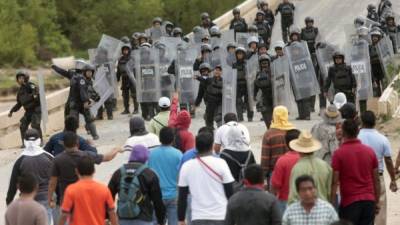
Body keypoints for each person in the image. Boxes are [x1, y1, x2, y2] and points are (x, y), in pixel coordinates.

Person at [48, 132, 120, 214]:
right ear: (77, 143)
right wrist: (116, 149)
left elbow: (52, 182)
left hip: (66, 200)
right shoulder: (86, 155)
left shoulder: (57, 160)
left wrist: (50, 198)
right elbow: (107, 157)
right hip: (84, 199)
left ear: (64, 144)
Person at [178, 132, 234, 225]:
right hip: (220, 215)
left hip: (198, 217)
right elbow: (229, 192)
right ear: (212, 146)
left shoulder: (187, 166)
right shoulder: (221, 163)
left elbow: (182, 196)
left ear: (196, 146)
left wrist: (181, 219)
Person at [331, 119, 380, 225]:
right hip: (369, 200)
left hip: (349, 202)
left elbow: (334, 181)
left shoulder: (338, 154)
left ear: (343, 132)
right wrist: (376, 201)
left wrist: (331, 203)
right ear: (358, 132)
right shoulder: (369, 151)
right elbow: (376, 179)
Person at [108, 145, 166, 225]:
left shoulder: (118, 173)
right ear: (145, 157)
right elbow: (157, 201)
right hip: (144, 219)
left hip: (122, 218)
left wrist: (108, 217)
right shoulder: (150, 174)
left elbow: (109, 196)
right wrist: (161, 220)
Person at [358, 111, 398, 225]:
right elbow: (388, 161)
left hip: (359, 178)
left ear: (362, 122)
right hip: (377, 180)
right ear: (375, 122)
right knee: (379, 213)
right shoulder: (382, 139)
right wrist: (393, 180)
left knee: (361, 212)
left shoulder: (356, 137)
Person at [6, 129, 53, 224]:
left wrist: (9, 201)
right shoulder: (49, 157)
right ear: (39, 140)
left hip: (25, 201)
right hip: (45, 198)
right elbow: (56, 178)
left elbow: (13, 183)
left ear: (24, 141)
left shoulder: (20, 160)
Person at [59, 156, 118, 225]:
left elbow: (64, 214)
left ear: (76, 171)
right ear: (94, 171)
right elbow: (111, 212)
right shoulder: (104, 189)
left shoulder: (71, 190)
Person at [148, 127, 183, 225]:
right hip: (173, 195)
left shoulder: (151, 154)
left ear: (160, 139)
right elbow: (182, 176)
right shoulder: (178, 154)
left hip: (156, 196)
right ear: (173, 139)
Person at [287, 131, 332, 204]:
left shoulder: (297, 168)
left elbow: (293, 195)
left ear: (299, 150)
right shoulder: (325, 165)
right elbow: (330, 191)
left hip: (304, 209)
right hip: (324, 209)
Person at [261, 106, 295, 184]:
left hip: (275, 171)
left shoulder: (269, 134)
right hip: (293, 170)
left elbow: (265, 157)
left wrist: (263, 175)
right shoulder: (294, 131)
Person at [8, 70, 42, 146]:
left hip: (36, 110)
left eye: (22, 77)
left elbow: (36, 95)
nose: (20, 79)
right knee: (23, 125)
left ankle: (40, 141)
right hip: (28, 111)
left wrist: (34, 94)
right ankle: (25, 143)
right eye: (19, 78)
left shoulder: (31, 85)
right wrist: (12, 111)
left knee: (35, 125)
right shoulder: (20, 92)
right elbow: (19, 104)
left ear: (26, 77)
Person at [270, 129, 300, 213]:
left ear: (286, 144)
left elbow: (275, 185)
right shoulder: (305, 159)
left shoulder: (282, 161)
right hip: (303, 199)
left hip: (284, 200)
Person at [233, 47, 254, 122]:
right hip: (237, 85)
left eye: (241, 54)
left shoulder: (247, 63)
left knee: (248, 101)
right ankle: (240, 117)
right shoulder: (234, 64)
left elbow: (252, 73)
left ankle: (250, 117)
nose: (239, 55)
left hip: (246, 84)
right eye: (238, 54)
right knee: (238, 101)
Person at [117, 43, 139, 114]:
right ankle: (126, 109)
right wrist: (117, 78)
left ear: (129, 50)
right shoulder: (120, 59)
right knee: (125, 95)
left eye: (126, 50)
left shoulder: (133, 59)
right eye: (124, 50)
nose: (125, 51)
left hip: (132, 78)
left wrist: (136, 78)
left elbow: (136, 69)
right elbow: (118, 69)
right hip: (124, 78)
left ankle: (136, 109)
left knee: (134, 94)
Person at [201, 64, 223, 128]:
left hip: (219, 104)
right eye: (216, 70)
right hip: (210, 103)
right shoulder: (209, 80)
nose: (217, 71)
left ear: (221, 72)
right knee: (208, 120)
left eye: (219, 70)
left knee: (219, 118)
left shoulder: (224, 81)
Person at [254, 54, 274, 128]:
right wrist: (254, 95)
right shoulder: (258, 74)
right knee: (266, 116)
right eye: (262, 63)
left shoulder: (273, 71)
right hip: (264, 97)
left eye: (266, 62)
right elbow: (255, 86)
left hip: (273, 96)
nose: (264, 64)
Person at [369, 30, 386, 97]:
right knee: (376, 86)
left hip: (382, 67)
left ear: (379, 37)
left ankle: (385, 97)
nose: (375, 38)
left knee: (384, 83)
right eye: (373, 37)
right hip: (374, 68)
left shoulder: (383, 45)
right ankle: (378, 99)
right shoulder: (369, 47)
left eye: (376, 37)